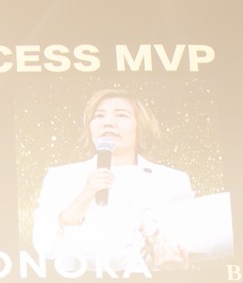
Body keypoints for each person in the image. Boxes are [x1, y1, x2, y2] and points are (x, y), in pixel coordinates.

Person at [30, 89, 196, 272]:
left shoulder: (172, 181)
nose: (108, 123)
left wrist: (177, 265)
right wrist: (85, 196)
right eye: (99, 116)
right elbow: (44, 247)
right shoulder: (62, 177)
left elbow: (186, 247)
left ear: (140, 126)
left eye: (121, 115)